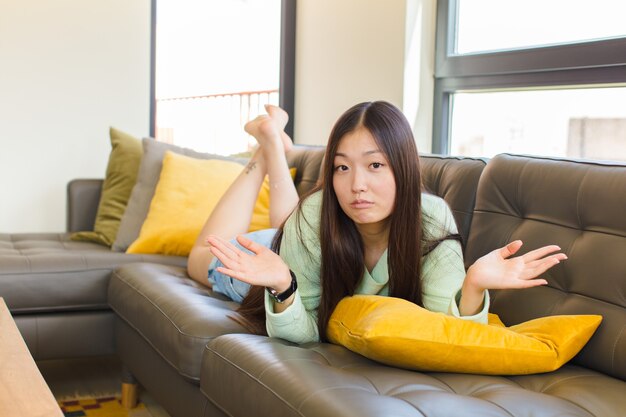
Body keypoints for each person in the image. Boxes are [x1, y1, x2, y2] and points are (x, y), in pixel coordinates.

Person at [187, 101, 567, 344]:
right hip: (268, 268)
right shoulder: (319, 209)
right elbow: (300, 333)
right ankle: (265, 148)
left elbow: (449, 335)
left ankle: (271, 140)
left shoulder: (431, 220)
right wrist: (282, 284)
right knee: (198, 259)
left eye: (375, 165)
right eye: (341, 167)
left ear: (401, 167)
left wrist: (472, 287)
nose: (357, 186)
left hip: (297, 245)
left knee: (297, 220)